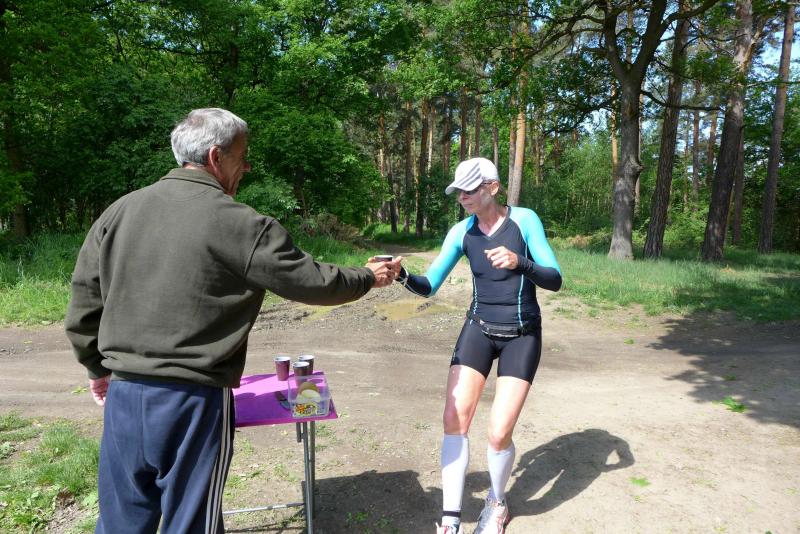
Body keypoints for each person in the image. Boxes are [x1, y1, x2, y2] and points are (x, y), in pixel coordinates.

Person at [65, 107, 401, 533]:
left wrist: (96, 367)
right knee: (193, 523)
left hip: (125, 395)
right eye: (242, 157)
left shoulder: (119, 212)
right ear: (215, 157)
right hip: (194, 400)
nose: (246, 168)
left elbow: (84, 300)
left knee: (120, 522)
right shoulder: (241, 224)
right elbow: (312, 282)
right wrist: (367, 277)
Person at [395, 157, 562, 534]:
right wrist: (401, 275)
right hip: (479, 329)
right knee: (454, 420)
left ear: (493, 188)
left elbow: (555, 279)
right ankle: (450, 520)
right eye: (458, 191)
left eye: (470, 190)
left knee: (498, 433)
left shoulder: (525, 221)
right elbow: (429, 285)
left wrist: (521, 262)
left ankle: (497, 503)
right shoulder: (461, 232)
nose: (462, 197)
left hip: (522, 334)